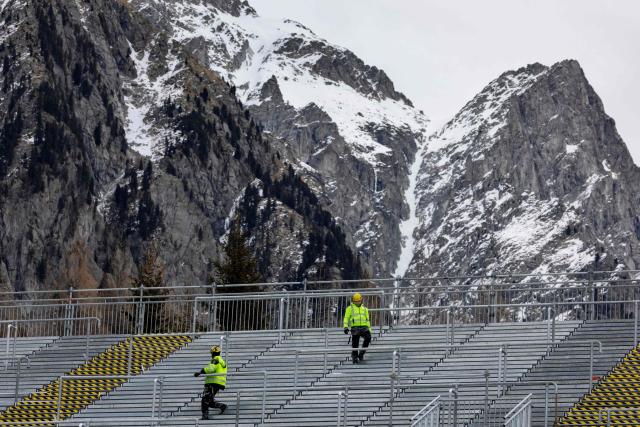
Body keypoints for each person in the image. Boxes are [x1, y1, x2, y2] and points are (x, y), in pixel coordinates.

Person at [194, 345, 228, 420]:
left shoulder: (215, 359)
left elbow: (210, 369)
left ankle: (205, 416)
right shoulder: (221, 360)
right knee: (209, 401)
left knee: (205, 400)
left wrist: (200, 372)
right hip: (218, 383)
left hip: (212, 383)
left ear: (212, 353)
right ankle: (222, 406)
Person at [343, 292, 372, 364]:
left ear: (361, 300)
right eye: (356, 301)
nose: (357, 303)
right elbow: (346, 318)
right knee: (355, 342)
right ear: (353, 301)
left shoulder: (365, 309)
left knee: (368, 338)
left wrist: (369, 329)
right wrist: (345, 327)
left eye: (358, 301)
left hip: (364, 327)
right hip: (355, 327)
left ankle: (361, 353)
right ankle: (355, 357)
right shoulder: (349, 308)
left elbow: (367, 320)